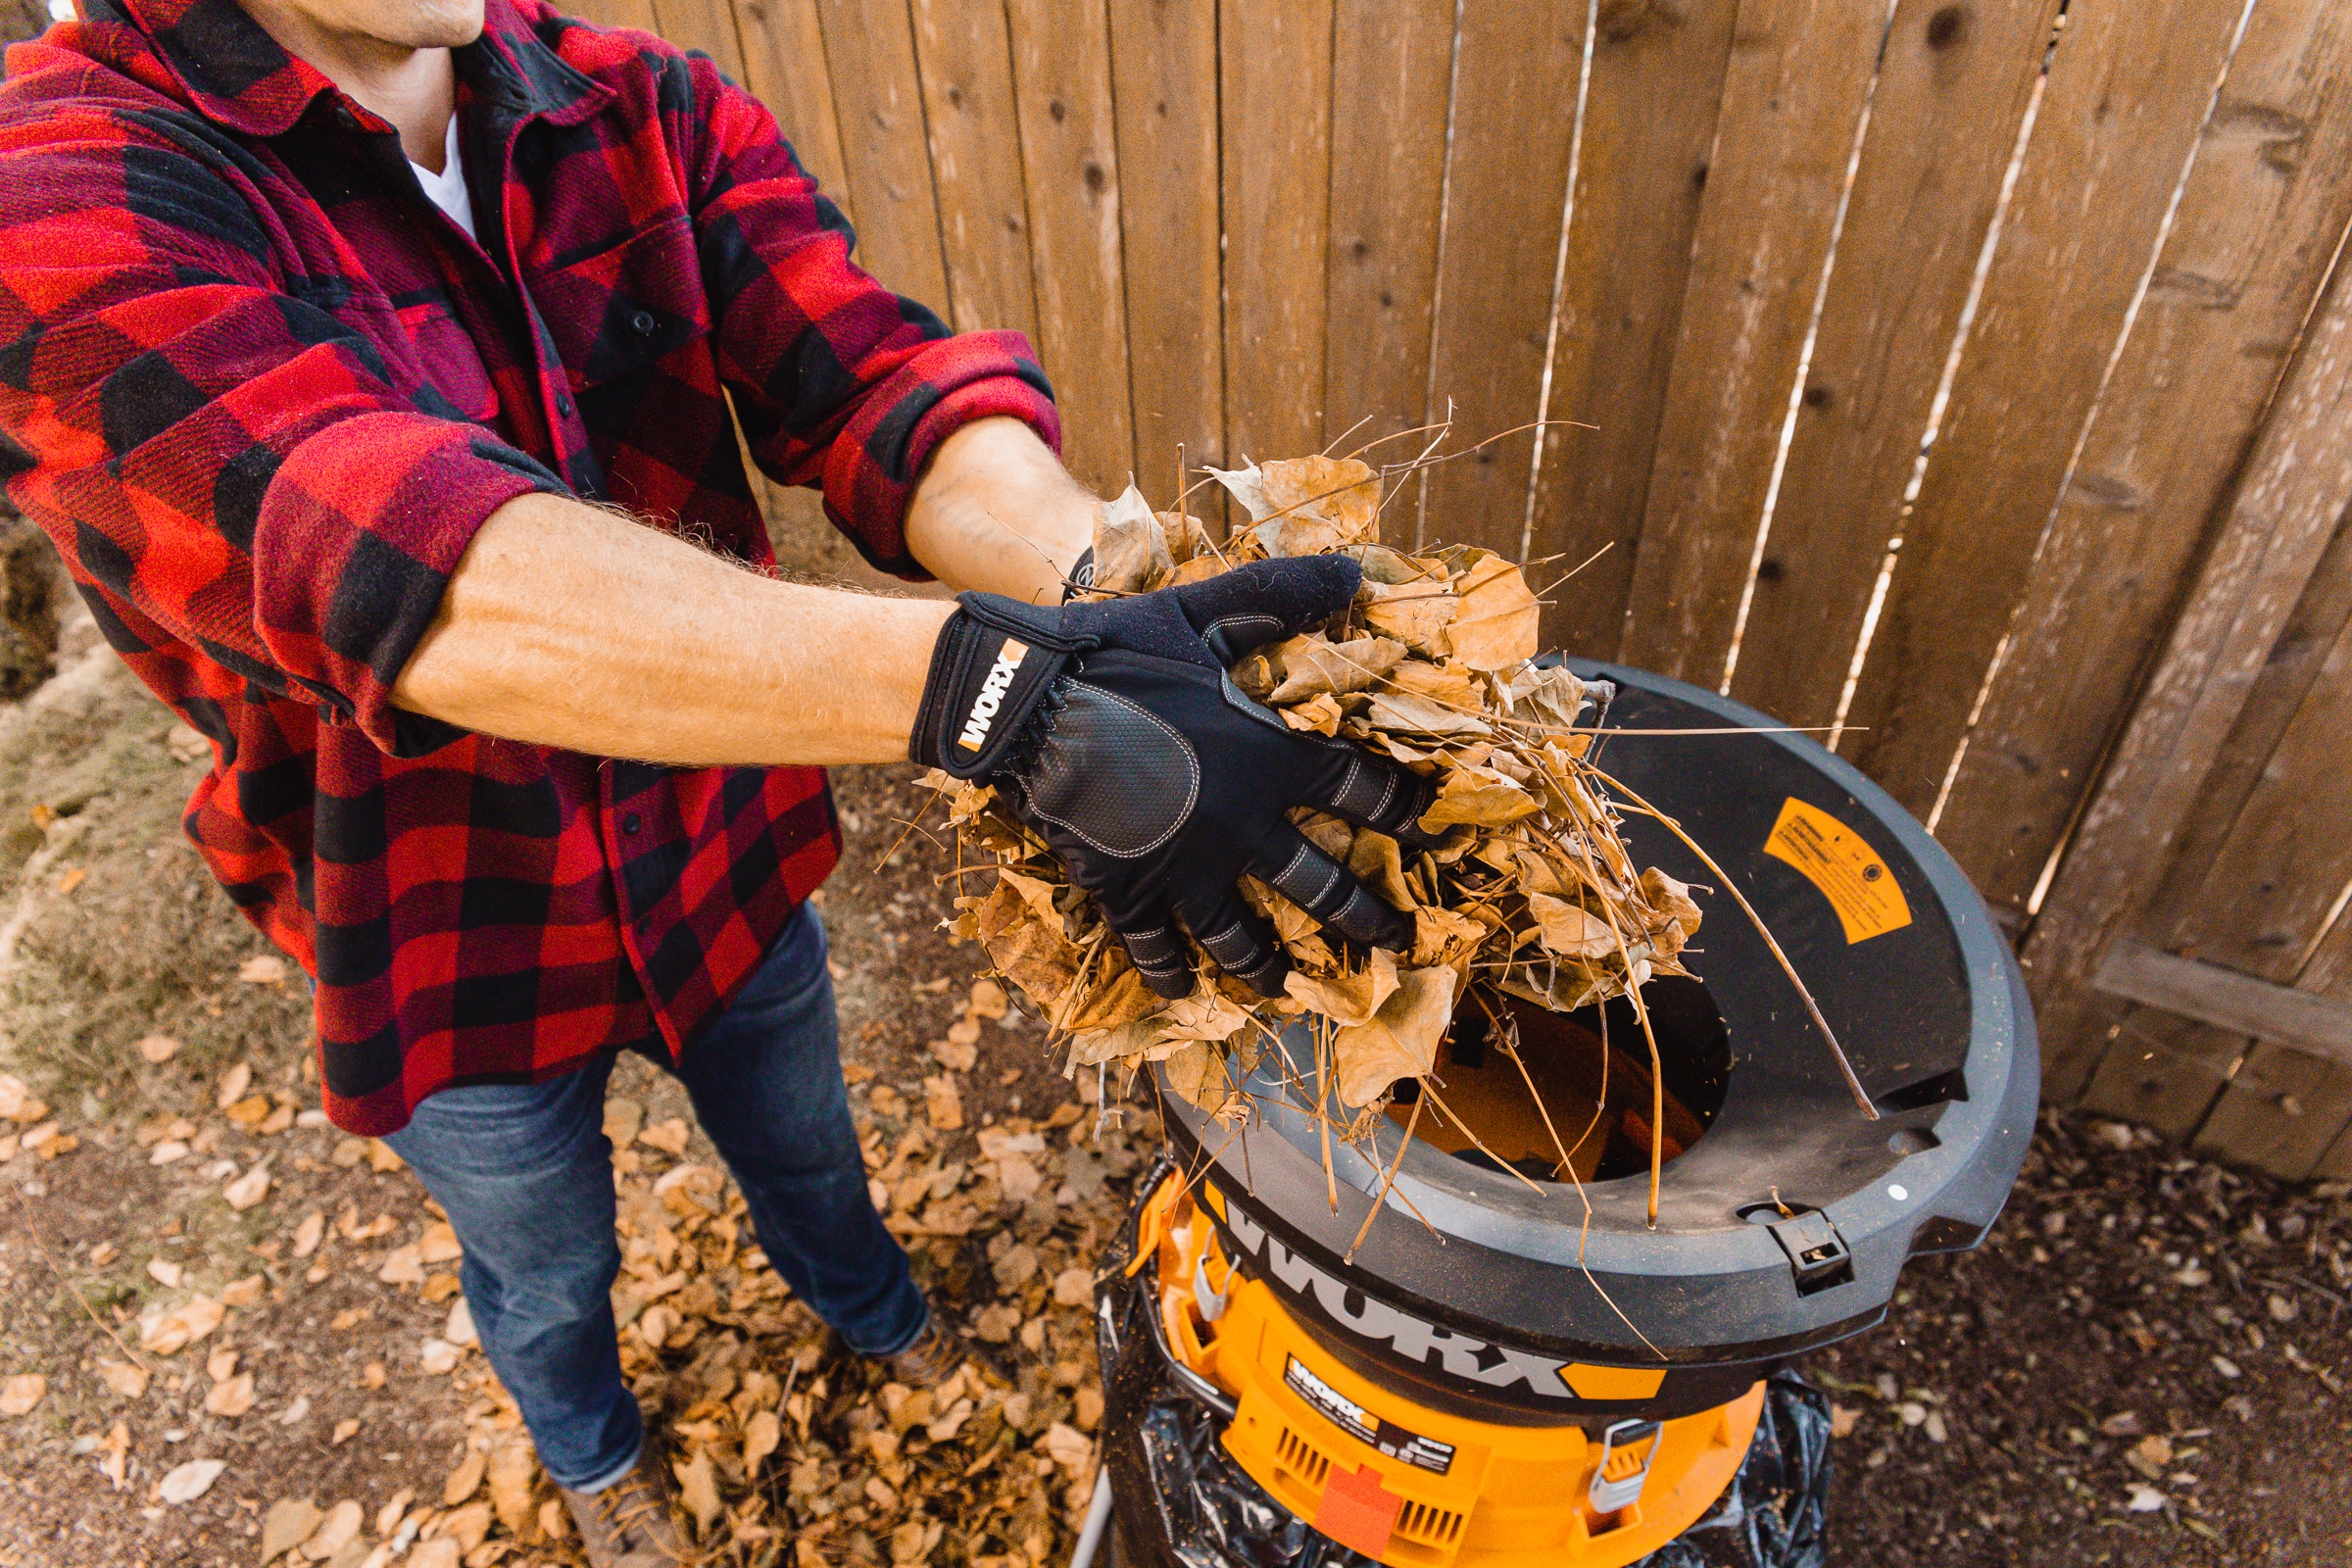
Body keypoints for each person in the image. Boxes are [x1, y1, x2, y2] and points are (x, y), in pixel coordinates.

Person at [0, 3, 1439, 1561]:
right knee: (547, 1268)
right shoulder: (68, 182)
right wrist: (1004, 695)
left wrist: (1106, 608)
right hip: (443, 937)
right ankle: (593, 1455)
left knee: (812, 1154)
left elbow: (876, 385)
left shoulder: (635, 105)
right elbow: (377, 553)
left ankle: (876, 1314)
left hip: (717, 858)